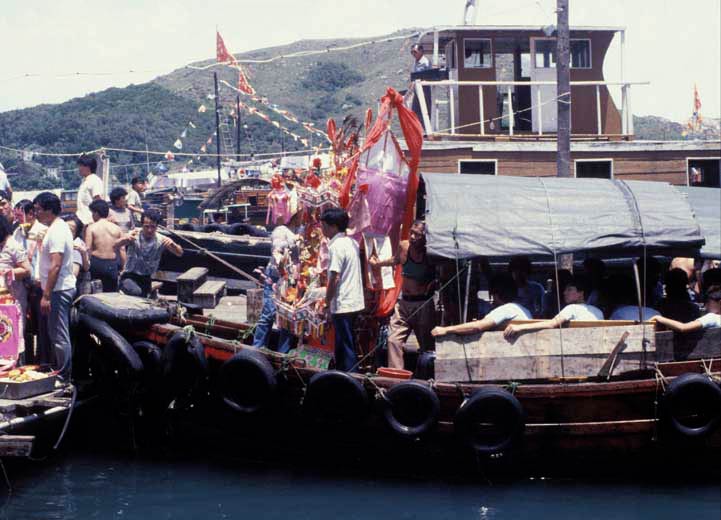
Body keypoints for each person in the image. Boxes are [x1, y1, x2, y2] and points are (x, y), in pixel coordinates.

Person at [369, 220, 436, 369]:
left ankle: (427, 378)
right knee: (393, 340)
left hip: (423, 304)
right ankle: (396, 376)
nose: (412, 236)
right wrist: (377, 264)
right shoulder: (404, 246)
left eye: (417, 235)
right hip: (403, 303)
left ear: (425, 236)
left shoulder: (430, 253)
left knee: (426, 345)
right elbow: (396, 260)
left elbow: (442, 273)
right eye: (411, 232)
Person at [33, 192, 76, 377]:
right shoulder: (55, 228)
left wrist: (46, 295)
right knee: (55, 333)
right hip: (56, 289)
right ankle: (61, 370)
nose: (35, 214)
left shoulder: (58, 230)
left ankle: (64, 375)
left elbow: (55, 265)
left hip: (58, 289)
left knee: (59, 335)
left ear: (49, 210)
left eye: (38, 210)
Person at [321, 207, 364, 372]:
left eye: (324, 226)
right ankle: (340, 373)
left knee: (346, 344)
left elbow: (335, 277)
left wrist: (326, 302)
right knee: (343, 341)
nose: (322, 229)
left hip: (343, 302)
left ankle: (352, 377)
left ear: (333, 226)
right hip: (354, 300)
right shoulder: (352, 242)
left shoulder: (336, 246)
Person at [252, 214, 299, 353]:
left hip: (292, 281)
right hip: (277, 278)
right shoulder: (280, 230)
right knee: (268, 314)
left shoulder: (300, 230)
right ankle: (256, 348)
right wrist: (281, 265)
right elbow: (277, 251)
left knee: (288, 318)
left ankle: (282, 353)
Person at [504, 274, 603, 340]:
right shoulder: (598, 311)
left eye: (569, 290)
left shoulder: (572, 308)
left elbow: (551, 324)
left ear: (581, 293)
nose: (564, 293)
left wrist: (520, 327)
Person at [432, 273, 532, 337]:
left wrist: (446, 330)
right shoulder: (523, 309)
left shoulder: (506, 309)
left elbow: (477, 327)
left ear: (495, 294)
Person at [116, 209, 182, 298]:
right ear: (142, 225)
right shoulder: (134, 235)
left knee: (144, 299)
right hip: (130, 276)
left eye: (153, 227)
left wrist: (174, 245)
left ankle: (151, 290)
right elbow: (115, 245)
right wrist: (124, 239)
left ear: (157, 226)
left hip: (146, 277)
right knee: (136, 293)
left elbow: (179, 253)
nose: (149, 230)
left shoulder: (161, 239)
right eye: (146, 226)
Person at [0, 218, 31, 363]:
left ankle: (17, 367)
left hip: (13, 299)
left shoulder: (13, 245)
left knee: (14, 335)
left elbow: (26, 270)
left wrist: (7, 272)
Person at [85, 199, 122, 292]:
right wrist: (124, 267)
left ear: (96, 213)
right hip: (112, 263)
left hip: (96, 263)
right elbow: (122, 250)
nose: (92, 216)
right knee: (112, 294)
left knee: (96, 294)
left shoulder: (91, 228)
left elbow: (88, 249)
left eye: (92, 213)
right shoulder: (117, 228)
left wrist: (86, 265)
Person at [652, 285, 721, 332]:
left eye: (707, 301)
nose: (705, 305)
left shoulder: (712, 317)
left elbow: (683, 327)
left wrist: (658, 318)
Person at [64, 215, 91, 295]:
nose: (66, 232)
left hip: (74, 288)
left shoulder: (76, 246)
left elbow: (74, 273)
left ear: (76, 233)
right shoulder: (69, 243)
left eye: (71, 230)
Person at [76, 154, 104, 225]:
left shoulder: (95, 180)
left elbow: (98, 200)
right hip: (82, 220)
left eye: (81, 166)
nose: (79, 168)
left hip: (90, 221)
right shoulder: (85, 181)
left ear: (88, 167)